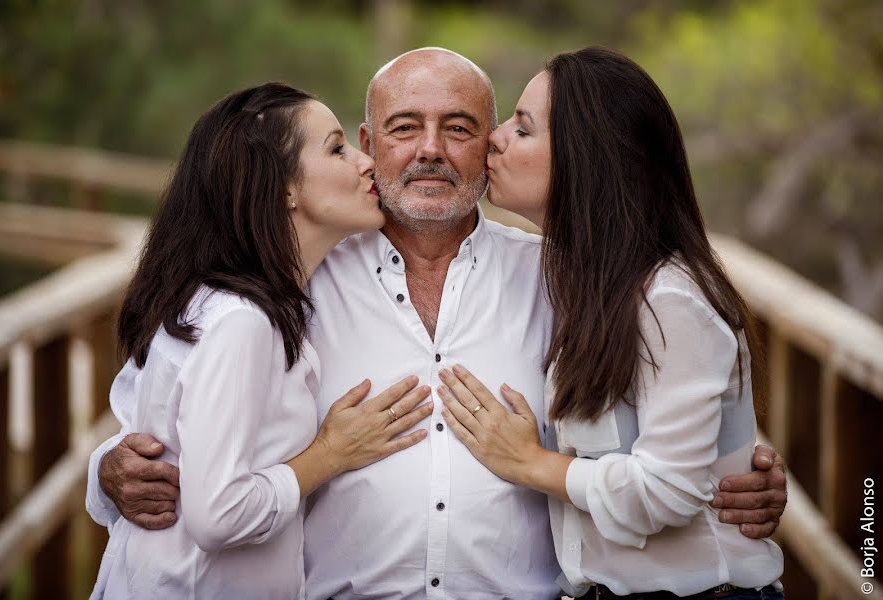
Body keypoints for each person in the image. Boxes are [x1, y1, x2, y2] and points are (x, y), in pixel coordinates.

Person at [87, 49, 788, 599]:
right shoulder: (293, 281)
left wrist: (735, 471)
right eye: (403, 128)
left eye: (459, 128)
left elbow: (673, 419)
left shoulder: (569, 282)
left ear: (487, 148)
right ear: (366, 145)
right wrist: (110, 471)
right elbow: (164, 403)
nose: (431, 149)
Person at [437, 47, 785, 598]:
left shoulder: (670, 298)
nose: (494, 139)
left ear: (588, 158)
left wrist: (530, 463)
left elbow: (669, 490)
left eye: (523, 129)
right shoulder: (575, 285)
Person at [88, 82, 433, 600]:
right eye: (337, 148)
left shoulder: (224, 299)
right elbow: (215, 515)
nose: (367, 164)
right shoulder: (240, 320)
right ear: (282, 188)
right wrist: (329, 454)